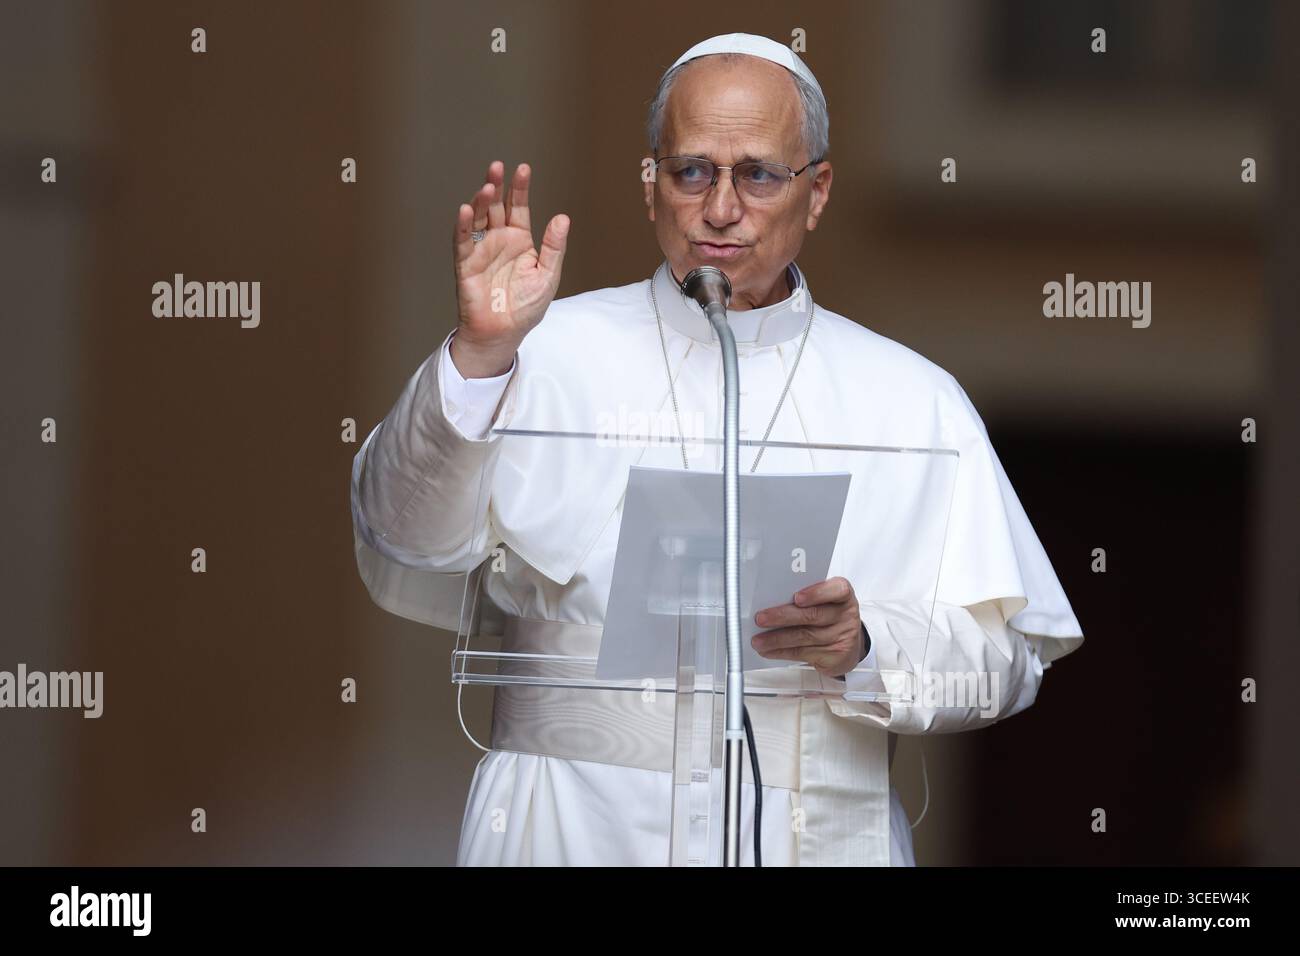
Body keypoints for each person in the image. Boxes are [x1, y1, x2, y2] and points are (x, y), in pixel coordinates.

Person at [349, 32, 1084, 866]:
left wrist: (869, 645)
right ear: (651, 185)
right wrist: (479, 354)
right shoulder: (543, 351)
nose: (721, 208)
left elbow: (1007, 664)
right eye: (691, 170)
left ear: (818, 192)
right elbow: (400, 532)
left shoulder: (914, 400)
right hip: (569, 829)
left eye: (759, 174)